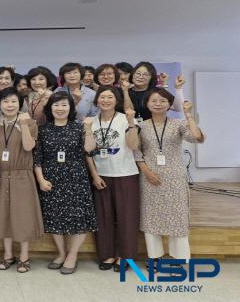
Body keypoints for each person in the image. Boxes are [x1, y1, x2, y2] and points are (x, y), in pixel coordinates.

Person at [135, 89, 205, 263]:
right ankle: (155, 259)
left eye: (163, 101)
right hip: (149, 179)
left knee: (177, 218)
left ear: (169, 104)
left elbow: (197, 137)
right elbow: (136, 153)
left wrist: (188, 115)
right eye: (154, 100)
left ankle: (178, 259)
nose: (158, 104)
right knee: (151, 218)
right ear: (147, 104)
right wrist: (147, 172)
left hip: (175, 179)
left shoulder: (179, 124)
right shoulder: (141, 126)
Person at [34, 92, 98, 275]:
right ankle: (61, 254)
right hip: (51, 180)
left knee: (79, 218)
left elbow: (89, 149)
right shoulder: (43, 129)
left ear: (71, 108)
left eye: (64, 105)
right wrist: (41, 179)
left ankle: (72, 255)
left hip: (76, 179)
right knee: (54, 218)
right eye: (56, 105)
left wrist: (88, 129)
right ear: (50, 108)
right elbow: (37, 158)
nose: (60, 109)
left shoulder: (79, 128)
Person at [0, 88, 42, 273]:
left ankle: (24, 256)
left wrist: (24, 126)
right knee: (3, 216)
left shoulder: (30, 122)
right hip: (0, 174)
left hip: (22, 175)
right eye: (5, 101)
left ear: (20, 104)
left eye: (13, 101)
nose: (9, 105)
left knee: (23, 216)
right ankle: (8, 254)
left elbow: (28, 146)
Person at [86, 86, 140, 272]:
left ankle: (125, 257)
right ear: (97, 100)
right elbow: (88, 152)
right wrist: (94, 175)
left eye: (110, 97)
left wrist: (131, 123)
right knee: (103, 218)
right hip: (101, 175)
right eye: (102, 97)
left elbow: (133, 145)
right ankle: (107, 255)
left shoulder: (125, 119)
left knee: (127, 218)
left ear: (116, 100)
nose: (106, 100)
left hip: (125, 174)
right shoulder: (91, 121)